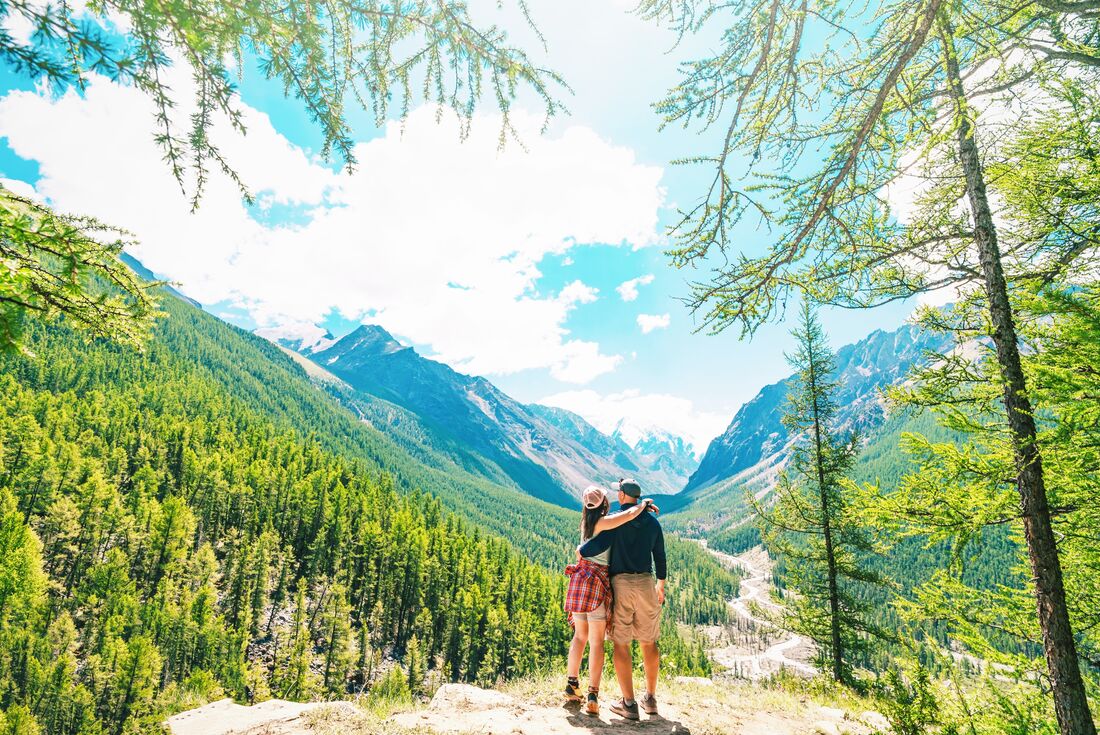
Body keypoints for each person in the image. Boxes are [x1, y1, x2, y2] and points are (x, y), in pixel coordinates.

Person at [576, 478, 666, 721]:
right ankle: (651, 698)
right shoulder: (653, 523)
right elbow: (660, 555)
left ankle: (628, 703)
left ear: (624, 496)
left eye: (619, 492)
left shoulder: (617, 521)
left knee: (621, 642)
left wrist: (582, 551)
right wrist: (661, 585)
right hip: (647, 582)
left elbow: (596, 545)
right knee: (649, 642)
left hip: (621, 584)